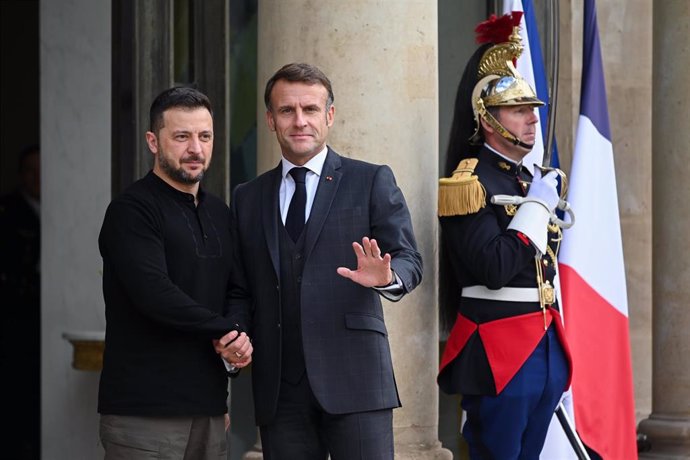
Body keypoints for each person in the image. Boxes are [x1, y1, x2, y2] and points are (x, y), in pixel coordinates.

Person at [219, 62, 422, 459]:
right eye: (286, 110)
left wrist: (386, 278)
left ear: (329, 116)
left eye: (310, 109)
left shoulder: (370, 180)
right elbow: (241, 287)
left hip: (357, 379)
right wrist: (236, 335)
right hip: (280, 388)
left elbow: (410, 260)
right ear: (270, 119)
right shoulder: (248, 196)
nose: (299, 121)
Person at [436, 12, 572, 460]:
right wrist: (535, 207)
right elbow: (492, 268)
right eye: (518, 110)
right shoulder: (469, 182)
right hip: (498, 349)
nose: (532, 120)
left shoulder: (526, 180)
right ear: (488, 118)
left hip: (546, 343)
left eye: (533, 110)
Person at [97, 86, 253, 459]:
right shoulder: (131, 211)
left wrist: (237, 336)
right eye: (181, 136)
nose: (196, 149)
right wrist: (224, 330)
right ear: (153, 141)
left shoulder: (220, 213)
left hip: (211, 410)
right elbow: (155, 294)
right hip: (144, 414)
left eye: (205, 136)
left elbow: (237, 289)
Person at [0, 144, 41, 459]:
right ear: (20, 175)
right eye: (31, 170)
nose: (38, 177)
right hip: (17, 317)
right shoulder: (8, 212)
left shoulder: (63, 206)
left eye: (43, 169)